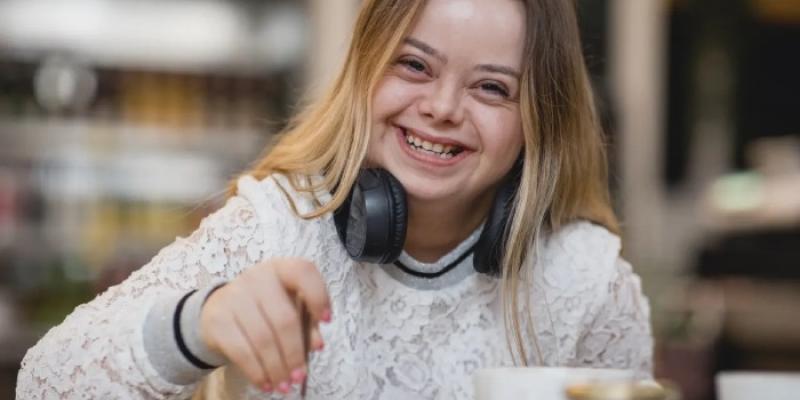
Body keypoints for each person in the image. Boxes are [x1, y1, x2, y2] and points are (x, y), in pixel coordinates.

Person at [16, 0, 653, 398]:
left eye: (491, 88)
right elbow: (44, 383)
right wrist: (198, 323)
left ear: (540, 118)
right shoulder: (277, 226)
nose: (441, 108)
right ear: (365, 73)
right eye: (414, 66)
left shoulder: (587, 282)